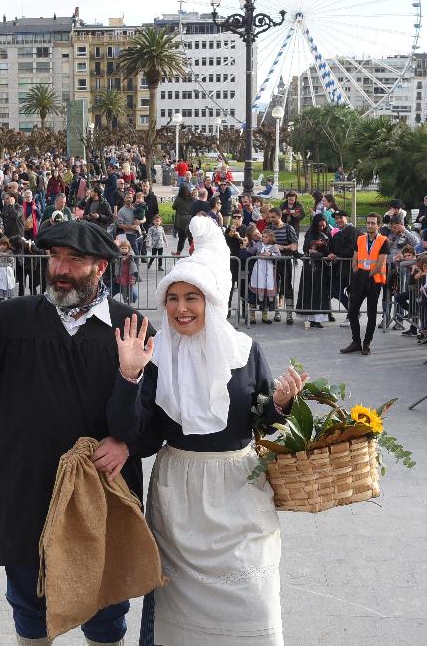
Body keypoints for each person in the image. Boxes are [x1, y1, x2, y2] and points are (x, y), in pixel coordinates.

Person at [0, 220, 149, 646]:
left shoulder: (130, 328)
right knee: (30, 604)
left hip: (100, 494)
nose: (61, 268)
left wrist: (127, 441)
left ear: (100, 267)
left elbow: (156, 411)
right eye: (55, 258)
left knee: (106, 606)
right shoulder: (11, 321)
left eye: (75, 260)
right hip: (27, 490)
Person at [107, 215, 307, 646]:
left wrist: (281, 404)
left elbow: (261, 421)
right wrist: (129, 377)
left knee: (254, 601)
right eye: (173, 298)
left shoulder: (246, 350)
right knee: (176, 613)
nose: (181, 308)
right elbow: (138, 438)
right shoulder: (155, 357)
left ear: (211, 301)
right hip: (179, 496)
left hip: (240, 493)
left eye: (192, 297)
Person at [341, 213, 388, 356]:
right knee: (352, 311)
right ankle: (356, 342)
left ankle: (366, 343)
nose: (370, 225)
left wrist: (368, 275)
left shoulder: (383, 241)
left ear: (378, 225)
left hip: (374, 280)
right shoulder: (360, 239)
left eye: (373, 223)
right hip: (359, 278)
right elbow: (355, 259)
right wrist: (357, 273)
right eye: (368, 223)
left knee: (371, 314)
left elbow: (380, 264)